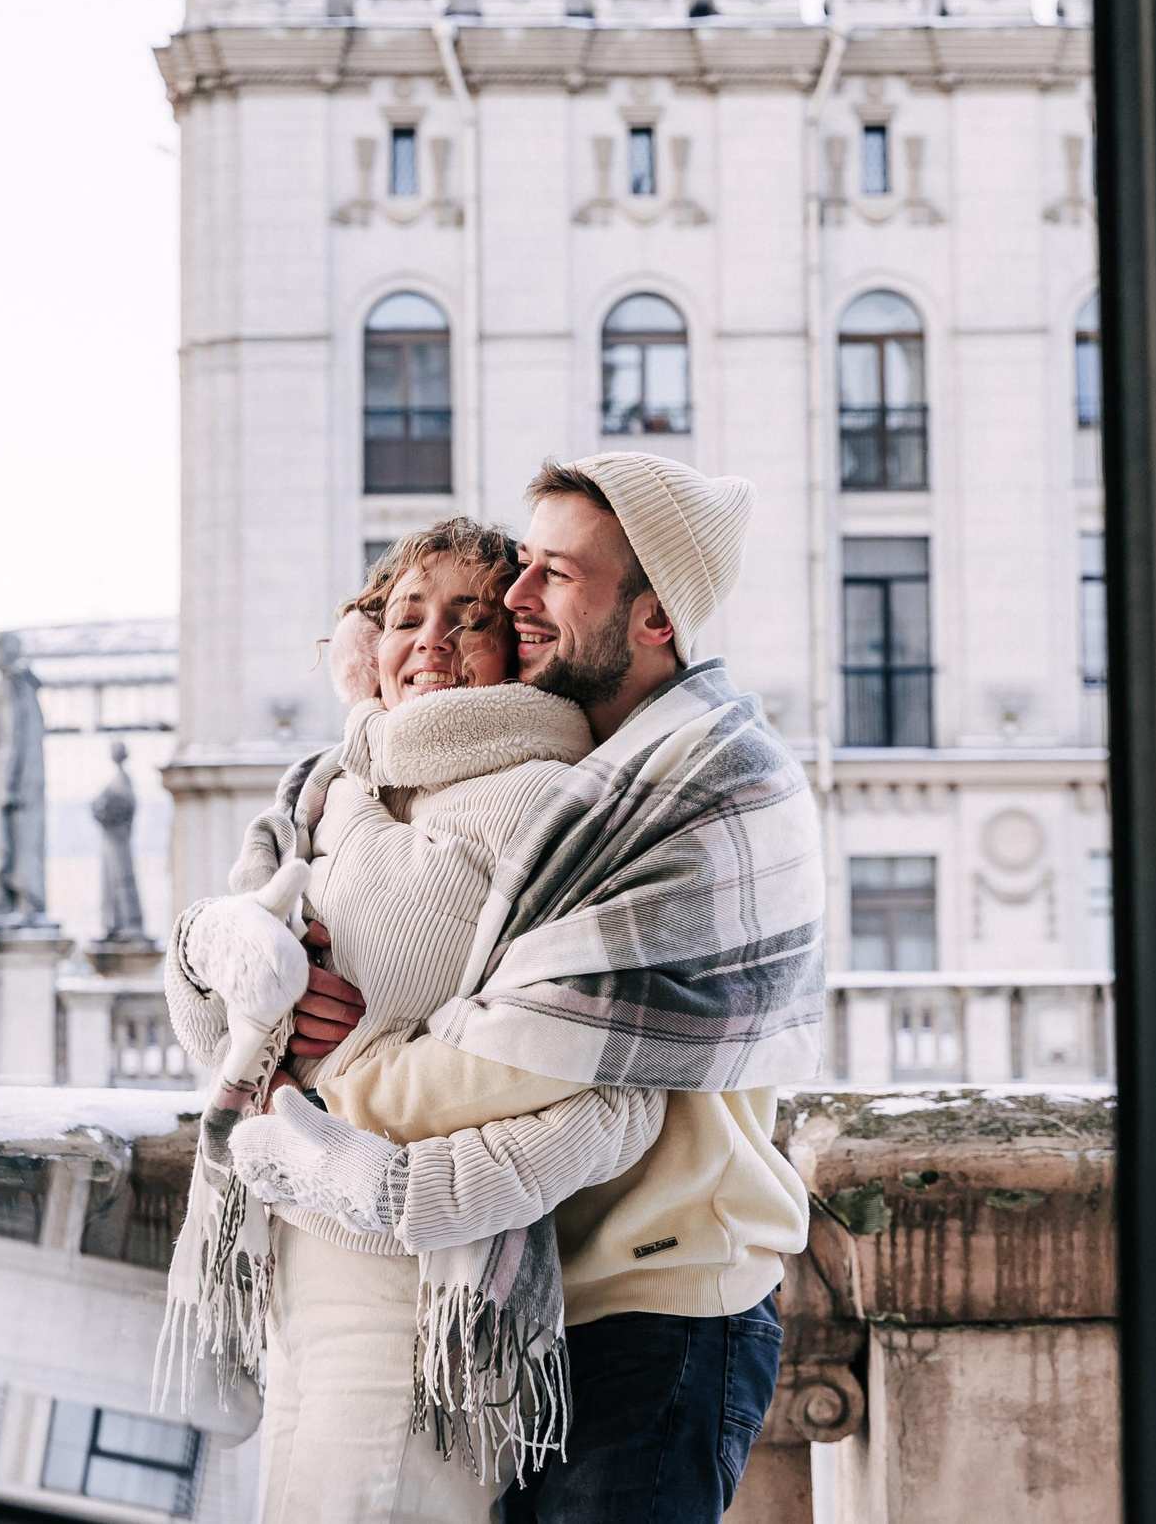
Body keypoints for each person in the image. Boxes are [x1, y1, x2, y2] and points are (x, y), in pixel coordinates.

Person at [222, 453, 826, 1524]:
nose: (514, 596)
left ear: (652, 617)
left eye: (553, 574)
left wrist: (322, 1091)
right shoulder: (582, 759)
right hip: (539, 1301)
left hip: (664, 1310)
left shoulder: (710, 782)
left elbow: (523, 1048)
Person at [162, 519, 671, 1523]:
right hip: (294, 1247)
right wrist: (225, 949)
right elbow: (217, 1025)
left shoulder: (540, 799)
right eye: (403, 616)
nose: (428, 642)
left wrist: (396, 1187)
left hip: (414, 1274)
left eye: (466, 619)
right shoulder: (331, 787)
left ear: (519, 645)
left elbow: (399, 944)